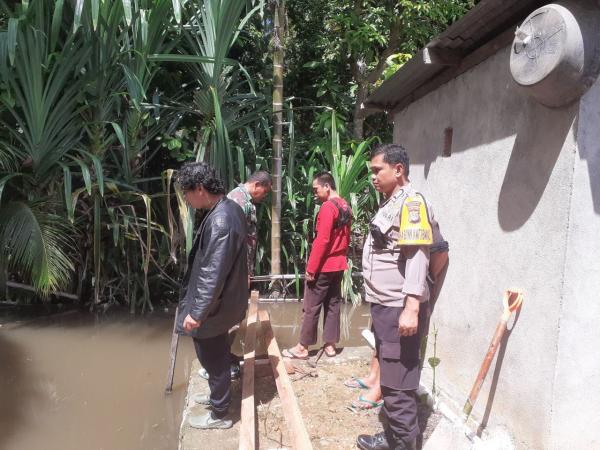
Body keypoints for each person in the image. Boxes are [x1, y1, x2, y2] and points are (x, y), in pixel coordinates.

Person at [356, 144, 446, 450]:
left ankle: (404, 444)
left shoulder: (412, 204)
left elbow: (420, 256)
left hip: (399, 309)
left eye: (377, 170)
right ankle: (392, 439)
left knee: (397, 388)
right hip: (386, 307)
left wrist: (412, 308)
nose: (373, 177)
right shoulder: (392, 203)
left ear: (398, 170)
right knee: (391, 380)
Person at [174, 162, 248, 430]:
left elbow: (212, 274)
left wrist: (197, 313)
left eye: (187, 192)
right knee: (217, 355)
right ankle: (218, 397)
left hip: (216, 306)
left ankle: (220, 414)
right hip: (226, 300)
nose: (186, 198)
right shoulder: (229, 208)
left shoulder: (220, 219)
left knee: (213, 359)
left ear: (201, 189)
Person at [283, 172, 352, 359]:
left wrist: (311, 269)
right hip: (339, 264)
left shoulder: (328, 207)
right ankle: (330, 345)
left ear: (327, 186)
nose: (315, 194)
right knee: (333, 304)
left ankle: (302, 347)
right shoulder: (345, 205)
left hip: (324, 264)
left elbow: (322, 240)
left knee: (311, 306)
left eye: (316, 189)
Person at [227, 170, 272, 279]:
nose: (265, 196)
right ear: (256, 185)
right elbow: (236, 239)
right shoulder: (239, 201)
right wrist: (244, 271)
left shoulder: (244, 199)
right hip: (236, 267)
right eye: (265, 191)